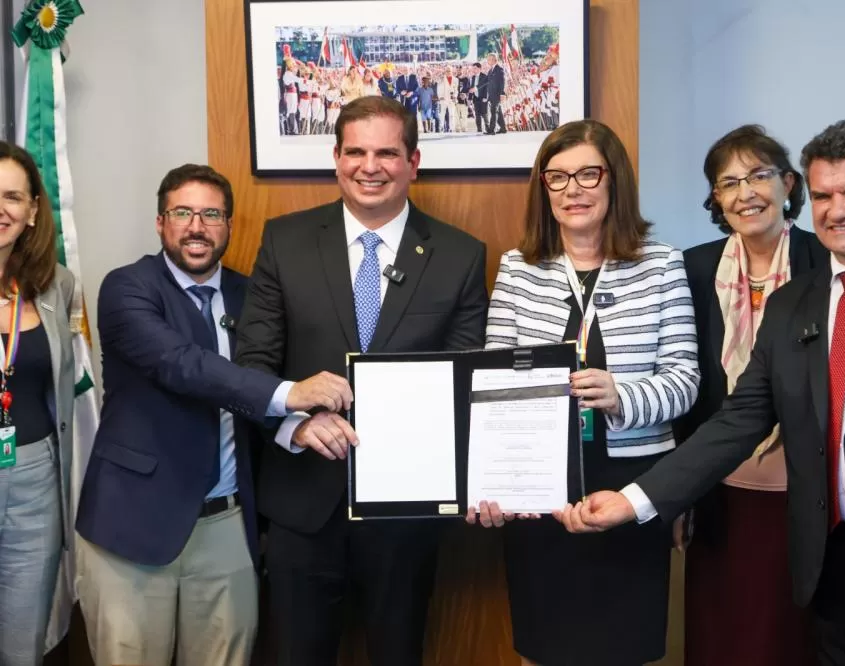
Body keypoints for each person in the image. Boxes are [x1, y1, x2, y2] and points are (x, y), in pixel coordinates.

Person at [558, 118, 845, 665]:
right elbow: (737, 420)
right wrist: (634, 500)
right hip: (830, 575)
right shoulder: (795, 304)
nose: (838, 209)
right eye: (824, 195)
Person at [233, 95, 488, 666]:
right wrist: (295, 426)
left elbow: (463, 381)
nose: (369, 166)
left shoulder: (459, 255)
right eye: (356, 151)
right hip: (303, 502)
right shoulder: (285, 240)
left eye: (386, 153)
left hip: (406, 508)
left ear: (413, 162)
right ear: (336, 157)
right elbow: (252, 361)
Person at [75, 164, 353, 666]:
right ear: (161, 223)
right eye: (182, 212)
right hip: (134, 523)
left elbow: (252, 391)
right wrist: (292, 394)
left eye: (211, 214)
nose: (196, 226)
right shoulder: (127, 289)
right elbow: (183, 366)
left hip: (227, 524)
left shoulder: (254, 296)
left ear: (230, 226)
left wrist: (296, 425)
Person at [468, 119, 700, 666]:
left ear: (614, 180)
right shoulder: (518, 268)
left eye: (588, 174)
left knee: (625, 645)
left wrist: (622, 397)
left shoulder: (662, 264)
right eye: (557, 178)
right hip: (540, 483)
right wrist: (506, 477)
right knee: (545, 644)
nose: (572, 190)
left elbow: (685, 378)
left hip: (633, 484)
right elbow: (491, 378)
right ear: (543, 188)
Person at [674, 124, 825, 666]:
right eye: (728, 182)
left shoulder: (825, 262)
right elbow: (687, 384)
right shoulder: (691, 269)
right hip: (721, 488)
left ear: (788, 183)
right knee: (723, 633)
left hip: (805, 489)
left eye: (759, 175)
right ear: (716, 198)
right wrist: (680, 490)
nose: (745, 193)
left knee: (789, 635)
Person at [0, 141, 76, 665]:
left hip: (33, 481)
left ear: (31, 213)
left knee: (22, 645)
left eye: (12, 197)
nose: (0, 208)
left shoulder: (57, 287)